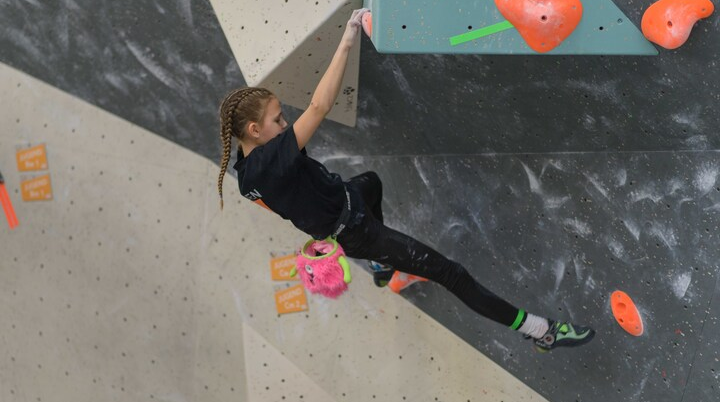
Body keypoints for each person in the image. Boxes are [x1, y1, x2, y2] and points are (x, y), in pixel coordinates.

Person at [216, 8, 595, 352]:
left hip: (348, 201)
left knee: (373, 181)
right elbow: (320, 106)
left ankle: (383, 268)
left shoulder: (247, 173)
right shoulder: (269, 163)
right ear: (254, 129)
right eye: (278, 119)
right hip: (357, 232)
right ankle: (540, 331)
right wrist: (348, 37)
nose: (285, 124)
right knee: (451, 273)